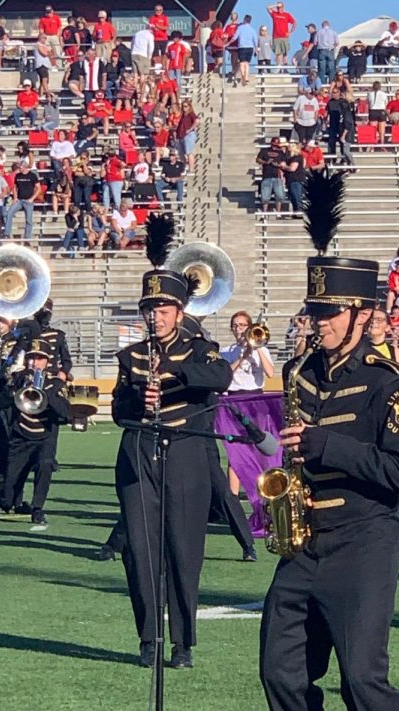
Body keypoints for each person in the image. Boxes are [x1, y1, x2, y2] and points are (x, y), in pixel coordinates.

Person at [260, 174, 399, 711]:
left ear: (362, 316)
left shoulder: (393, 384)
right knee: (278, 669)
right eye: (314, 313)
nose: (318, 323)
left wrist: (326, 446)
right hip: (305, 540)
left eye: (328, 313)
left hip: (364, 540)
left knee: (362, 675)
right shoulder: (299, 373)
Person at [112, 215, 233, 668]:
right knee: (140, 552)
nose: (154, 316)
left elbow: (219, 377)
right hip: (139, 452)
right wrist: (136, 402)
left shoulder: (199, 349)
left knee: (184, 550)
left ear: (180, 313)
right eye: (149, 309)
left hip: (184, 451)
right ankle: (148, 638)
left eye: (163, 310)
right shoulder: (131, 355)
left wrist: (175, 374)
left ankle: (182, 641)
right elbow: (118, 411)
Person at [0, 338, 70, 529]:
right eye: (31, 358)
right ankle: (1, 496)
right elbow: (1, 404)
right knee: (8, 499)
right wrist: (12, 390)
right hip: (20, 438)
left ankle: (38, 508)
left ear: (47, 361)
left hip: (44, 437)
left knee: (45, 465)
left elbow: (65, 413)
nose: (34, 362)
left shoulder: (55, 384)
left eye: (39, 358)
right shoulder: (18, 378)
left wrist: (48, 396)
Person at [5, 161, 40, 241]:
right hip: (19, 200)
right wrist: (15, 197)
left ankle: (27, 238)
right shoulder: (18, 176)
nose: (19, 169)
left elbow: (38, 188)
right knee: (9, 213)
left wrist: (32, 198)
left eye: (20, 167)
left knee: (28, 220)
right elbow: (15, 187)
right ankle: (7, 233)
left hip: (28, 201)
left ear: (25, 167)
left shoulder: (32, 176)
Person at [256, 136, 286, 214]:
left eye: (276, 144)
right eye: (274, 144)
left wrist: (278, 165)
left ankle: (278, 212)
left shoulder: (281, 152)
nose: (275, 146)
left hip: (277, 176)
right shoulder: (264, 150)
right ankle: (265, 212)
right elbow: (258, 159)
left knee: (279, 196)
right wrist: (266, 162)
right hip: (266, 176)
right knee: (265, 196)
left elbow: (284, 164)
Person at [268, 2, 296, 68]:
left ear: (283, 7)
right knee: (278, 53)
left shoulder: (286, 15)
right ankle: (279, 67)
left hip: (284, 37)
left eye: (280, 7)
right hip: (276, 37)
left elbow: (294, 23)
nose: (279, 9)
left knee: (285, 53)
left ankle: (285, 67)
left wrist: (290, 32)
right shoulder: (274, 14)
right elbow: (268, 8)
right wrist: (276, 5)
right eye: (278, 7)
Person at [233, 15, 257, 86]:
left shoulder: (240, 28)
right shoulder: (252, 30)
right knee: (247, 63)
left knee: (242, 63)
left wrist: (228, 43)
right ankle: (246, 78)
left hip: (242, 47)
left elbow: (235, 37)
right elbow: (255, 41)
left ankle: (243, 75)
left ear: (244, 20)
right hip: (250, 47)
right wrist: (256, 49)